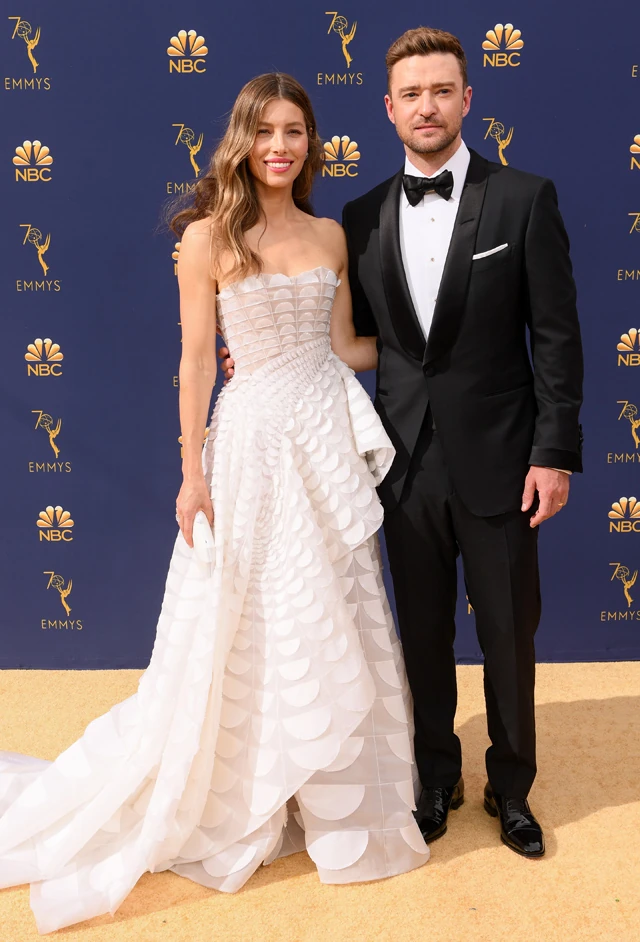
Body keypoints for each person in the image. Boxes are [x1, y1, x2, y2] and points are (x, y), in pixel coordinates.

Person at [0, 73, 428, 935]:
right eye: (266, 131)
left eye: (295, 131)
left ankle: (328, 795)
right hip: (253, 443)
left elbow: (345, 345)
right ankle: (252, 786)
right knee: (257, 616)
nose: (281, 146)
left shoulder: (330, 234)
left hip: (322, 437)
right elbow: (197, 361)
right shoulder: (207, 238)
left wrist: (435, 343)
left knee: (331, 610)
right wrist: (191, 472)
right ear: (242, 140)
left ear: (311, 143)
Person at [221, 28, 584, 859]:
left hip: (503, 458)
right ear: (388, 109)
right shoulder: (357, 219)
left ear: (467, 99)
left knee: (508, 635)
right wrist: (263, 350)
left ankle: (512, 788)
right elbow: (348, 337)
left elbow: (558, 339)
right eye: (412, 94)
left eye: (441, 90)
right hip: (401, 462)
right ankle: (434, 780)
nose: (428, 106)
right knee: (419, 635)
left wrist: (554, 451)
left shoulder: (524, 199)